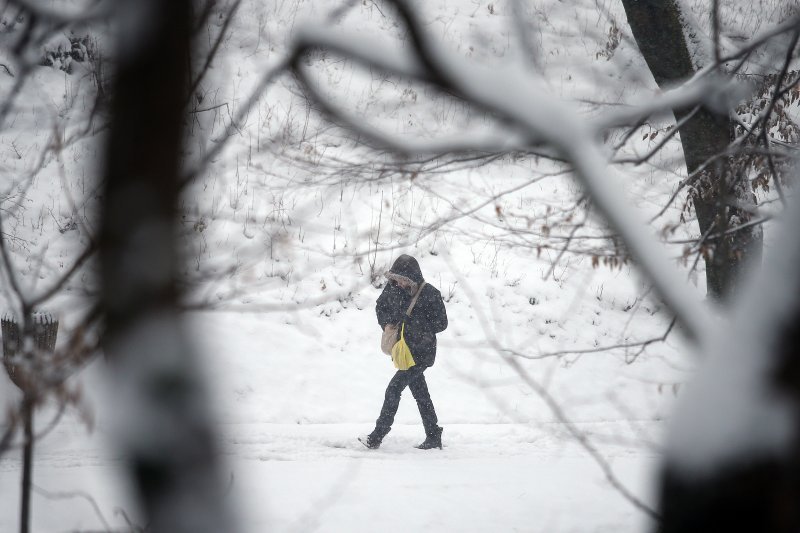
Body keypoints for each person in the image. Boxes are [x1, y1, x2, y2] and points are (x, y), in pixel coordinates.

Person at [359, 254, 448, 450]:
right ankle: (433, 435)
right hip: (404, 351)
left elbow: (442, 324)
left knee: (393, 389)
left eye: (403, 280)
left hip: (422, 352)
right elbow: (380, 307)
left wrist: (417, 323)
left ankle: (376, 436)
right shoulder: (392, 288)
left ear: (412, 278)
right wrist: (388, 321)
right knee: (421, 394)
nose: (398, 283)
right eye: (396, 278)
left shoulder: (430, 294)